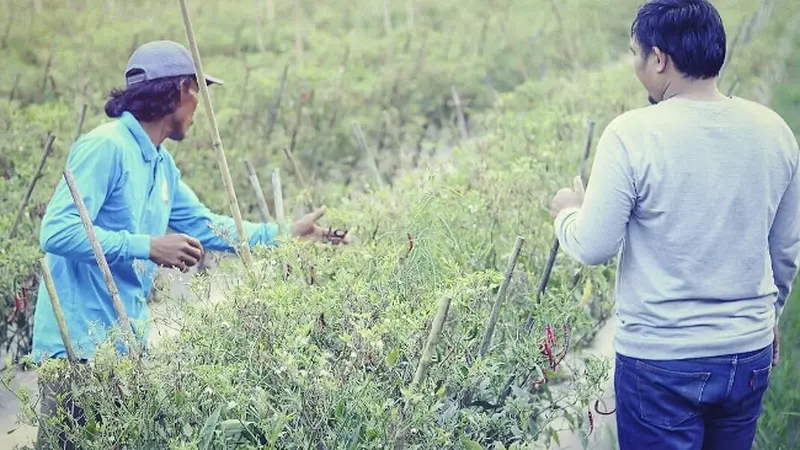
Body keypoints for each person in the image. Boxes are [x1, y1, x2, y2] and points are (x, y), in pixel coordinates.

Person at [31, 39, 350, 449]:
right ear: (180, 91)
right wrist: (147, 246)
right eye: (199, 90)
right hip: (78, 345)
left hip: (124, 343)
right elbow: (56, 231)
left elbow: (206, 226)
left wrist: (284, 233)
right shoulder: (105, 147)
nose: (200, 104)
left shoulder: (161, 164)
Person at [548, 1, 799, 449]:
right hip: (748, 351)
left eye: (634, 53)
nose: (634, 65)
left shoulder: (631, 134)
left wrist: (568, 212)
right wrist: (769, 316)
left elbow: (593, 246)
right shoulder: (775, 131)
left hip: (661, 361)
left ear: (659, 58)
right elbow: (784, 251)